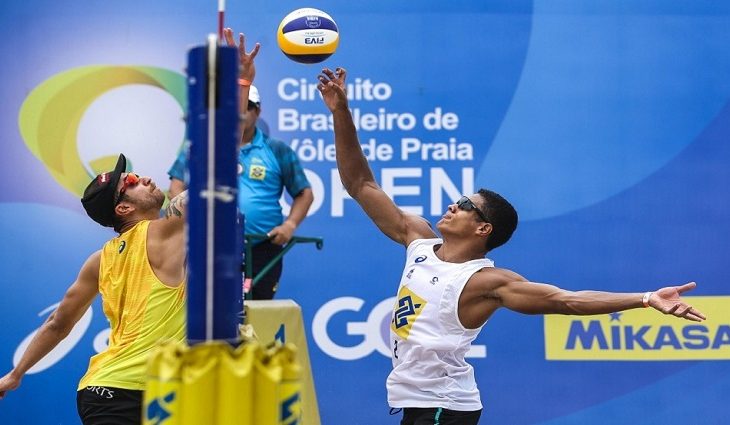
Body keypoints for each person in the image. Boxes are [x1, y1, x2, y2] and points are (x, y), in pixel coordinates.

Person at [316, 67, 707, 425]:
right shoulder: (417, 239)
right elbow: (360, 184)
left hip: (444, 407)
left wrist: (644, 298)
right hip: (418, 402)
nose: (453, 204)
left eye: (465, 205)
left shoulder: (487, 282)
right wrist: (340, 112)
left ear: (483, 228)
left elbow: (565, 300)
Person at [0, 154, 186, 424]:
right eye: (132, 181)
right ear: (123, 209)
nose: (144, 178)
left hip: (111, 391)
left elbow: (58, 324)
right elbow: (214, 183)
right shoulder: (164, 232)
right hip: (130, 394)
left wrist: (16, 374)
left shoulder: (99, 260)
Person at [168, 28, 314, 300]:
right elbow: (176, 187)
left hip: (262, 249)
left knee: (257, 315)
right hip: (212, 244)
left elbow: (304, 192)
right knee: (211, 314)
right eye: (237, 106)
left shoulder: (276, 150)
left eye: (247, 107)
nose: (242, 112)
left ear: (257, 111)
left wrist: (290, 225)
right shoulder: (203, 146)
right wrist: (194, 218)